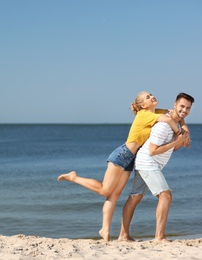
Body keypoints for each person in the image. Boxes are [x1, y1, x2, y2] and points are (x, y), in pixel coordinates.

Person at [57, 91, 189, 241]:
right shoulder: (144, 114)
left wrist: (183, 125)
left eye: (151, 94)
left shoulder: (155, 111)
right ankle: (74, 177)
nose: (152, 96)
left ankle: (105, 232)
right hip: (122, 154)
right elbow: (168, 119)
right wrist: (179, 134)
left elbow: (175, 114)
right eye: (147, 97)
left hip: (131, 158)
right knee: (104, 189)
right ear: (142, 105)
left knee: (114, 195)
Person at [117, 92, 195, 243]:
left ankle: (123, 236)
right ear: (175, 105)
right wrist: (175, 141)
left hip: (146, 162)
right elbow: (153, 150)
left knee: (135, 197)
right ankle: (159, 237)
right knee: (165, 195)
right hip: (148, 162)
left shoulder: (176, 124)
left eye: (188, 108)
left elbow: (171, 148)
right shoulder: (164, 126)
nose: (184, 110)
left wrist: (180, 141)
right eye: (181, 106)